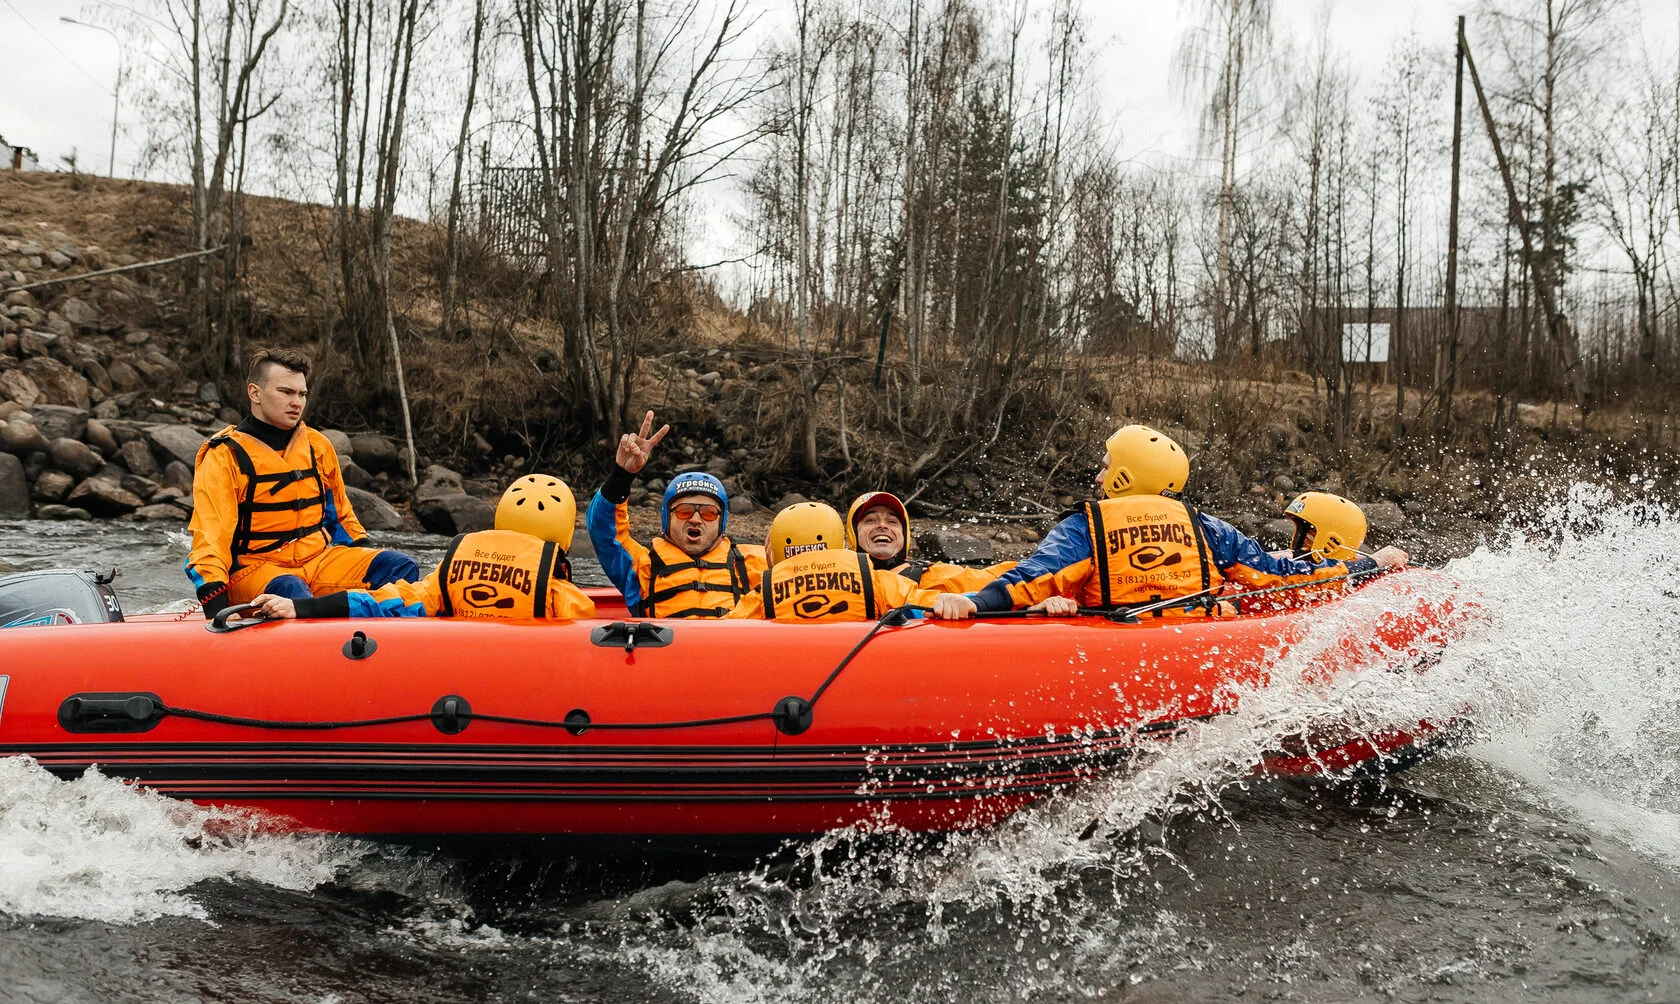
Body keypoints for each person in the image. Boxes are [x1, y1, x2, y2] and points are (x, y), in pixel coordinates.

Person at [933, 424, 1408, 620]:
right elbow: (1277, 575)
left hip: (1123, 650)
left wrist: (974, 603)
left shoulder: (1086, 525)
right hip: (1197, 645)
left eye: (1105, 466)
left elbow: (1029, 580)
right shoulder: (1206, 527)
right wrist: (1366, 565)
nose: (1098, 476)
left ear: (1125, 475)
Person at [185, 348, 418, 620]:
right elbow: (210, 538)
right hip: (256, 571)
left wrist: (364, 555)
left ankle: (371, 637)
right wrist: (216, 607)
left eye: (302, 394)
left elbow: (342, 518)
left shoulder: (318, 446)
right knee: (292, 590)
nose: (296, 402)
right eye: (286, 392)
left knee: (399, 567)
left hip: (318, 562)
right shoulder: (224, 456)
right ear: (255, 393)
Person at [248, 475, 595, 620]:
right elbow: (586, 627)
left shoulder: (449, 574)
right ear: (563, 537)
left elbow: (384, 600)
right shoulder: (559, 595)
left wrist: (304, 608)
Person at [585, 410, 767, 618]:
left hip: (730, 640)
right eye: (684, 511)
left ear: (721, 522)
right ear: (667, 518)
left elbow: (793, 570)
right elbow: (603, 530)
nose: (695, 519)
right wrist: (622, 474)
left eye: (708, 513)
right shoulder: (643, 566)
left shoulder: (753, 562)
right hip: (667, 640)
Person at [726, 502, 942, 622]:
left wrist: (776, 571)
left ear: (774, 549)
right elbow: (925, 603)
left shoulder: (763, 594)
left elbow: (727, 629)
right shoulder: (877, 582)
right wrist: (956, 602)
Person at [845, 491, 1015, 593]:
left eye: (892, 521)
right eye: (870, 520)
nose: (882, 526)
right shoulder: (836, 578)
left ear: (904, 536)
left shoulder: (934, 575)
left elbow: (1002, 578)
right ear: (854, 533)